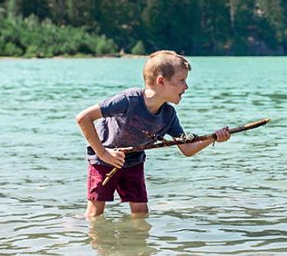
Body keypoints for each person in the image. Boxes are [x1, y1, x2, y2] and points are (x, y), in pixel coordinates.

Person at [75, 50, 231, 218]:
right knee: (96, 210)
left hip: (133, 160)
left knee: (141, 211)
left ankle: (136, 243)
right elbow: (83, 118)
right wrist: (104, 154)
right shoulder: (129, 100)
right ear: (161, 81)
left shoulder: (168, 115)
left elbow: (187, 150)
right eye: (181, 81)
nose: (186, 87)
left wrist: (213, 137)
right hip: (103, 158)